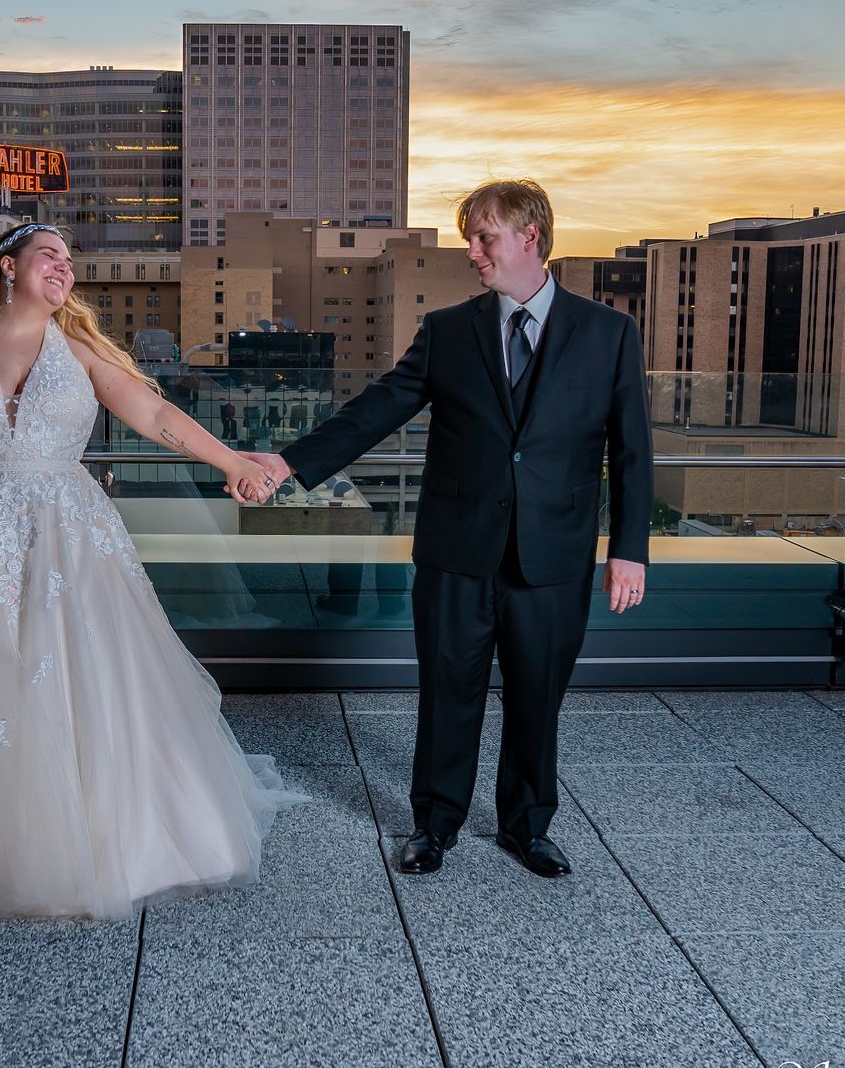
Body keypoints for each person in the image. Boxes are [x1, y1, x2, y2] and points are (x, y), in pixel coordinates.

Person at [0, 223, 303, 919]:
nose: (65, 267)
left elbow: (156, 413)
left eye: (70, 260)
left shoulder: (82, 349)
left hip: (65, 533)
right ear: (10, 267)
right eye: (50, 255)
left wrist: (235, 464)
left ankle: (88, 832)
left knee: (66, 664)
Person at [240, 180, 653, 879]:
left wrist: (630, 552)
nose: (472, 252)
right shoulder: (448, 330)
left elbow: (633, 449)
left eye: (484, 237)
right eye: (469, 238)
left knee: (537, 697)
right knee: (447, 693)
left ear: (530, 237)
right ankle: (433, 825)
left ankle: (529, 827)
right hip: (456, 552)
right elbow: (377, 410)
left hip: (553, 555)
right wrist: (288, 461)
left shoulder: (609, 334)